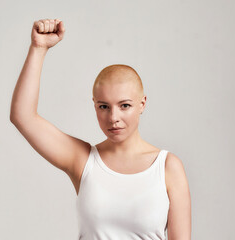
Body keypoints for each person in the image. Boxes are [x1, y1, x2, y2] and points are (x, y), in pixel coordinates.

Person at [10, 18, 191, 240]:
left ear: (142, 104)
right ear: (94, 105)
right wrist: (38, 49)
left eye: (125, 106)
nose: (113, 118)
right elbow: (23, 116)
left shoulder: (167, 167)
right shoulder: (83, 160)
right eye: (104, 106)